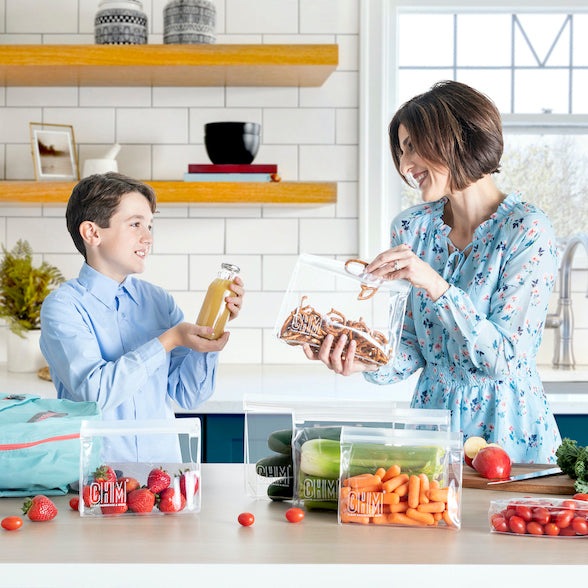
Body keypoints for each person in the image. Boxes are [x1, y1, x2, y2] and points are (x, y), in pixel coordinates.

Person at [303, 80, 561, 464]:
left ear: (456, 139)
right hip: (432, 426)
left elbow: (506, 359)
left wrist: (436, 285)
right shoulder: (412, 229)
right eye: (402, 150)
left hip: (510, 433)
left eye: (412, 146)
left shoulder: (526, 230)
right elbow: (413, 347)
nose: (405, 166)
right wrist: (366, 361)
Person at [40, 173, 245, 463]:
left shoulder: (158, 302)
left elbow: (189, 395)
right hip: (98, 485)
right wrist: (169, 340)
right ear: (92, 233)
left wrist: (208, 337)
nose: (148, 238)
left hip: (163, 479)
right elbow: (95, 394)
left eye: (149, 226)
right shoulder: (63, 307)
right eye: (135, 224)